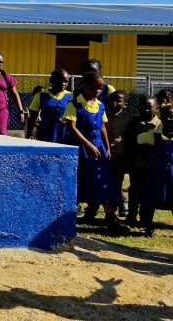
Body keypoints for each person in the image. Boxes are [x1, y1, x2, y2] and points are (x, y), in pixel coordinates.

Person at [64, 70, 129, 235]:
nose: (97, 91)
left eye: (100, 88)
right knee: (81, 182)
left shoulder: (100, 105)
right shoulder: (74, 104)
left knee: (103, 182)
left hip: (98, 150)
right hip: (82, 150)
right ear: (84, 86)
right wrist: (88, 145)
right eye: (94, 88)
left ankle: (110, 218)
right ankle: (67, 218)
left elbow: (102, 127)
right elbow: (72, 129)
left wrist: (106, 147)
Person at [134, 105, 173, 237]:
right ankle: (148, 226)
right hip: (156, 173)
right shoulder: (153, 135)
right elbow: (139, 139)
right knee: (151, 199)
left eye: (172, 116)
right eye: (166, 116)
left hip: (172, 174)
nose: (169, 119)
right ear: (161, 117)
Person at [126, 96, 160, 225]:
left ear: (156, 108)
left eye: (148, 107)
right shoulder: (134, 123)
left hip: (152, 164)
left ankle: (145, 218)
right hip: (136, 163)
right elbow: (129, 141)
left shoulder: (160, 125)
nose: (145, 109)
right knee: (134, 189)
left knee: (148, 191)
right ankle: (131, 215)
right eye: (142, 106)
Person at [105, 90, 132, 218]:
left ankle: (121, 202)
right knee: (103, 180)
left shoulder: (128, 119)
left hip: (119, 155)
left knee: (118, 181)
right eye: (112, 99)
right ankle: (96, 207)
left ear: (125, 104)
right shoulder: (103, 114)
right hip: (104, 154)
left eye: (118, 101)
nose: (114, 102)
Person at [25, 69, 71, 142]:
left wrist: (67, 120)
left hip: (63, 134)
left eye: (66, 81)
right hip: (45, 133)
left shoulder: (70, 96)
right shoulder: (40, 95)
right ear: (52, 80)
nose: (63, 84)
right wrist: (28, 134)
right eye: (60, 80)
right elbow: (32, 117)